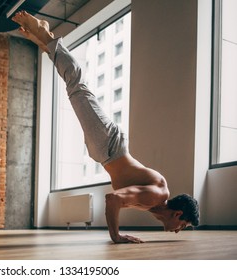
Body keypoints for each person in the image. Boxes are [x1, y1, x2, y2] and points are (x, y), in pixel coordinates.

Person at [12, 11, 199, 243]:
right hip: (109, 146)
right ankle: (45, 35)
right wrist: (116, 236)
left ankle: (45, 41)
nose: (178, 229)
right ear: (178, 214)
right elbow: (113, 199)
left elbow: (117, 196)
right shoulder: (156, 196)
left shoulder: (155, 203)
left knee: (76, 88)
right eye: (183, 225)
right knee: (77, 86)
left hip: (105, 150)